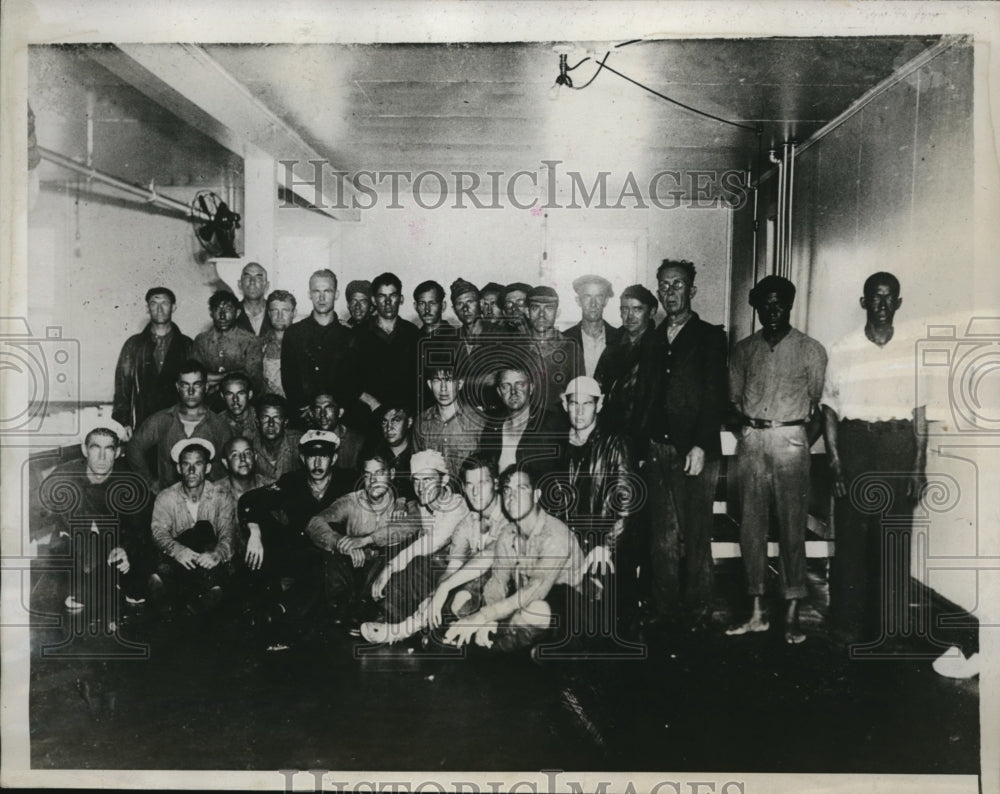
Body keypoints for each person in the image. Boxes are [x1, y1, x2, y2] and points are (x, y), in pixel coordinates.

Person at [821, 272, 928, 645]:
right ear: (863, 302)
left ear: (898, 303)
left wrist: (918, 468)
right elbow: (829, 409)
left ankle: (891, 627)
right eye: (875, 297)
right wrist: (835, 462)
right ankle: (846, 624)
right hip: (856, 445)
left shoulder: (912, 350)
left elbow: (920, 414)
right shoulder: (843, 348)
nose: (882, 304)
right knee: (851, 537)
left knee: (894, 537)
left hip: (898, 446)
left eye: (889, 297)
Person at [727, 275, 827, 644]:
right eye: (766, 304)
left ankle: (791, 616)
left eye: (779, 303)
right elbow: (732, 403)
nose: (773, 310)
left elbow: (820, 407)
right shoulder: (743, 351)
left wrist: (799, 442)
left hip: (791, 442)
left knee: (792, 529)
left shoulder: (810, 350)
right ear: (757, 307)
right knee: (750, 528)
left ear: (790, 305)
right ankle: (757, 613)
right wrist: (747, 433)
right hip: (752, 441)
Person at [634, 261, 728, 632]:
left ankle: (699, 610)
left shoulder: (710, 336)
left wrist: (701, 445)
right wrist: (642, 447)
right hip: (658, 450)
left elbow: (715, 395)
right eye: (664, 285)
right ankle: (666, 608)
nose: (670, 292)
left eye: (678, 284)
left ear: (692, 290)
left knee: (696, 533)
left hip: (694, 452)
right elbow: (645, 397)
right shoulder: (652, 339)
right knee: (662, 537)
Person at [359, 454, 507, 645]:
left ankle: (412, 629)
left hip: (510, 588)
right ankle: (404, 624)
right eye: (470, 485)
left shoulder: (509, 512)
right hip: (472, 584)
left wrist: (443, 588)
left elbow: (488, 555)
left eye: (482, 483)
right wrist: (435, 594)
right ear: (463, 487)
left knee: (465, 586)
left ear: (496, 483)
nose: (475, 492)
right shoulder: (467, 522)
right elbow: (453, 567)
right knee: (431, 572)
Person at [440, 463, 586, 654]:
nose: (512, 497)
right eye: (507, 491)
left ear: (536, 495)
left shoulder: (555, 535)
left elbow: (535, 591)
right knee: (479, 616)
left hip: (575, 617)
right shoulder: (508, 533)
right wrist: (489, 618)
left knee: (536, 609)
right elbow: (497, 583)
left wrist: (482, 616)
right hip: (529, 608)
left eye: (521, 489)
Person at [238, 430, 356, 644]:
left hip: (339, 558)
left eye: (324, 456)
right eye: (311, 456)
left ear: (334, 459)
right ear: (302, 458)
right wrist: (254, 532)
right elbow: (250, 500)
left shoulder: (349, 481)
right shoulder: (292, 482)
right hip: (301, 555)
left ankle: (279, 613)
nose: (317, 463)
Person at [551, 376, 641, 638]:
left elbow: (626, 503)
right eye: (574, 404)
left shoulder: (615, 442)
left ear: (599, 405)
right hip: (572, 546)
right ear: (565, 405)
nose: (579, 411)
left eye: (587, 404)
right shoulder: (560, 444)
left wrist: (607, 546)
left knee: (610, 626)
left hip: (606, 549)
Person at [37, 419, 153, 617]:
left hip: (113, 544)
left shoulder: (129, 482)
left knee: (137, 590)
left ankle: (110, 580)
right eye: (95, 448)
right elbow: (36, 513)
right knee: (73, 593)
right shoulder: (63, 476)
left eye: (109, 449)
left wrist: (125, 548)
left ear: (118, 452)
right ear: (84, 450)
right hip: (73, 544)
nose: (101, 457)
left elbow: (140, 527)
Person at [305, 453, 422, 625]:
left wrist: (366, 540)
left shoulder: (403, 503)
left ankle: (374, 610)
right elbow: (314, 522)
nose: (373, 480)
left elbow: (415, 522)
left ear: (391, 474)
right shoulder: (351, 501)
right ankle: (341, 608)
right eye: (368, 474)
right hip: (355, 569)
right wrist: (339, 542)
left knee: (398, 551)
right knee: (327, 553)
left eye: (379, 473)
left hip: (383, 574)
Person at [368, 450, 469, 629]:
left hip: (453, 574)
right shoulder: (424, 504)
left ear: (444, 480)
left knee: (417, 562)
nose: (421, 487)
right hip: (428, 569)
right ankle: (369, 608)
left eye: (427, 480)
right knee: (392, 550)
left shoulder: (457, 506)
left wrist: (390, 568)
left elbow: (429, 543)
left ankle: (389, 618)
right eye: (416, 480)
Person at [148, 438, 236, 616]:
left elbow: (227, 533)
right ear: (179, 468)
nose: (191, 470)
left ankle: (203, 602)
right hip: (178, 562)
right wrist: (177, 550)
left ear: (208, 468)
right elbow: (158, 532)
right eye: (186, 464)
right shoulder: (166, 497)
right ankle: (167, 597)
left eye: (198, 464)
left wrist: (217, 553)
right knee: (158, 564)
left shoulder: (221, 496)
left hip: (207, 561)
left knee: (205, 531)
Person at [127, 360, 233, 492]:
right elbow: (134, 448)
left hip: (208, 498)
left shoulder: (218, 425)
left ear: (206, 387)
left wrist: (219, 491)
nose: (191, 391)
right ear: (177, 387)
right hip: (170, 499)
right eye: (185, 385)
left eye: (197, 385)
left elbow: (229, 463)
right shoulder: (162, 419)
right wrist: (150, 482)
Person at [112, 287, 193, 438]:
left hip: (179, 423)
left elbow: (196, 386)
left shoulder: (187, 345)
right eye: (154, 303)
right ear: (147, 308)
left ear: (174, 307)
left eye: (165, 303)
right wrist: (123, 421)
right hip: (143, 421)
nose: (159, 309)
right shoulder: (133, 345)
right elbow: (123, 384)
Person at [280, 269, 357, 422]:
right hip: (303, 417)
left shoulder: (349, 335)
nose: (322, 298)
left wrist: (337, 410)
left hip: (340, 417)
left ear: (336, 294)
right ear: (310, 294)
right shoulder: (294, 334)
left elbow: (353, 380)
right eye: (316, 291)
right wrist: (305, 408)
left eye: (327, 291)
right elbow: (289, 379)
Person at [595, 284, 657, 439]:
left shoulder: (659, 347)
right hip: (610, 433)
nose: (630, 316)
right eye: (624, 309)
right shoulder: (613, 345)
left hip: (643, 435)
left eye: (637, 309)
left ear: (652, 312)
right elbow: (598, 386)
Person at [352, 271, 420, 412]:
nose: (388, 302)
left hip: (404, 415)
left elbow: (418, 381)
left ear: (401, 299)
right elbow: (348, 379)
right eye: (382, 296)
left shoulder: (412, 333)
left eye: (393, 295)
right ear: (373, 300)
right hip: (369, 414)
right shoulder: (358, 334)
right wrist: (374, 404)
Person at [478, 363, 565, 473]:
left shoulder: (551, 424)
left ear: (531, 388)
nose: (513, 392)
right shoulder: (491, 427)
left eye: (519, 384)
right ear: (499, 392)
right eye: (506, 386)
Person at [192, 290, 264, 408]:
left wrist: (215, 385)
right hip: (208, 406)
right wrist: (233, 374)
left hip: (241, 406)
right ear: (211, 313)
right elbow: (196, 377)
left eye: (228, 309)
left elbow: (254, 381)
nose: (222, 315)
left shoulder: (250, 341)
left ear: (237, 313)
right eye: (217, 309)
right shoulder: (202, 340)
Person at [412, 364, 485, 479]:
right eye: (437, 380)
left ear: (460, 384)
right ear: (430, 384)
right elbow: (417, 469)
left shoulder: (477, 420)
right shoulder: (422, 423)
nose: (443, 388)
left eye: (449, 380)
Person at [525, 286, 584, 413]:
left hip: (559, 420)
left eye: (549, 308)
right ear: (527, 312)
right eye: (535, 308)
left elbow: (578, 392)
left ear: (558, 313)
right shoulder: (517, 347)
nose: (541, 315)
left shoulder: (570, 347)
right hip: (523, 421)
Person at [563, 275, 620, 377]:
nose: (593, 303)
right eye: (587, 297)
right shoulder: (565, 340)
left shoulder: (619, 338)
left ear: (606, 301)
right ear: (578, 301)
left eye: (599, 297)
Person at [361, 403, 416, 501]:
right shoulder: (373, 452)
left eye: (396, 420)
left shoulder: (418, 453)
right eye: (384, 422)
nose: (388, 427)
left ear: (409, 422)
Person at [307, 393, 365, 472]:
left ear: (340, 412)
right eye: (318, 409)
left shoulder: (357, 443)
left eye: (328, 408)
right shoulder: (306, 441)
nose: (322, 414)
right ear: (311, 414)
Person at [253, 393, 302, 483]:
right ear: (257, 422)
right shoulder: (249, 447)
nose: (271, 424)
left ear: (285, 422)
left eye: (277, 418)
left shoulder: (299, 443)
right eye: (265, 417)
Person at [261, 289, 296, 397]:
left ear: (294, 313)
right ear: (269, 313)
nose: (279, 316)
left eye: (285, 310)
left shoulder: (304, 341)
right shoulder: (259, 344)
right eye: (275, 311)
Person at [218, 436, 270, 503]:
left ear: (255, 457)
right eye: (235, 455)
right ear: (225, 463)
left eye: (247, 453)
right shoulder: (214, 493)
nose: (243, 458)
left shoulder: (271, 488)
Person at [218, 371, 260, 447]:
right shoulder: (217, 423)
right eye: (229, 394)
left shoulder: (261, 419)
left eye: (241, 393)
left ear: (250, 394)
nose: (235, 399)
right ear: (222, 396)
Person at [233, 261, 273, 337]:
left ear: (267, 286)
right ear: (239, 284)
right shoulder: (232, 313)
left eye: (258, 278)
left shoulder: (276, 312)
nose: (252, 282)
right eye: (247, 277)